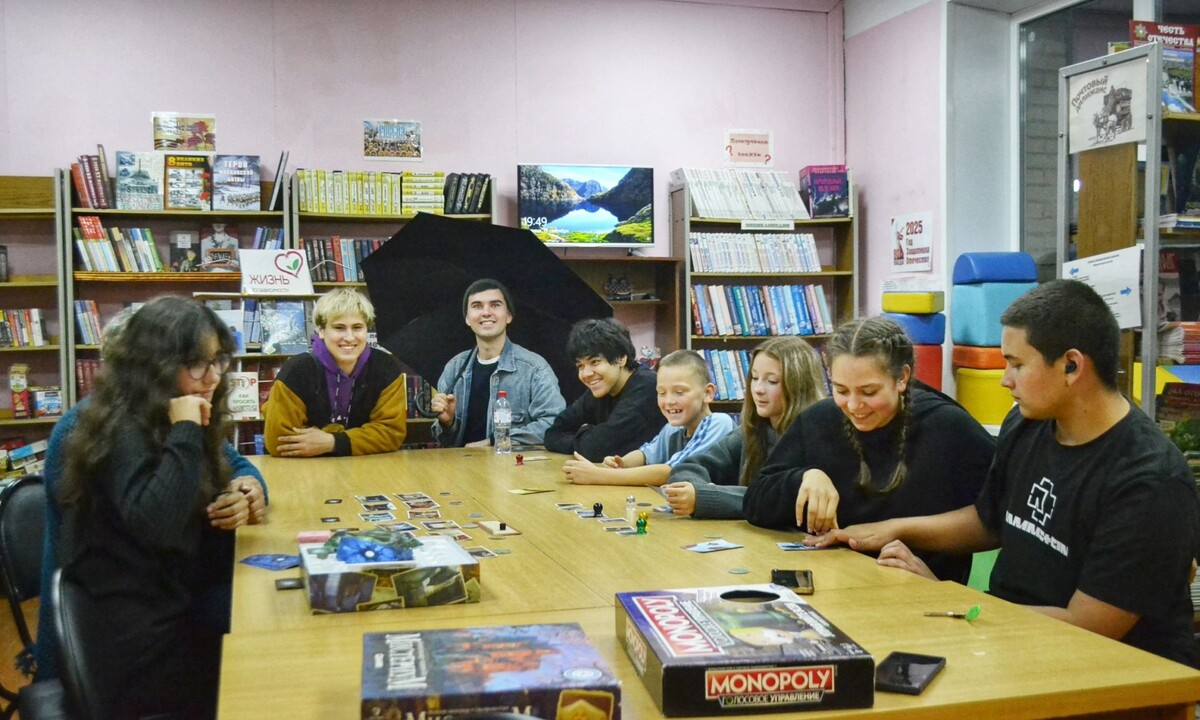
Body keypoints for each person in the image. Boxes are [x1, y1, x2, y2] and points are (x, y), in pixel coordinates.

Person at [813, 280, 1200, 666]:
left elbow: (1087, 626)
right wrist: (893, 529)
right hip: (1010, 639)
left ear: (1071, 366)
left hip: (1107, 670)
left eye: (1016, 364)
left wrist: (946, 598)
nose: (1005, 379)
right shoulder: (1027, 422)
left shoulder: (1149, 482)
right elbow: (992, 520)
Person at [33, 306, 268, 683]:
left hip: (170, 594)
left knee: (267, 601)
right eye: (195, 363)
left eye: (216, 361)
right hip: (124, 630)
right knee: (264, 627)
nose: (212, 377)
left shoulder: (166, 413)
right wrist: (187, 433)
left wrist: (247, 490)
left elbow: (234, 464)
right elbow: (155, 526)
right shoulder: (99, 426)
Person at [742, 316, 995, 583]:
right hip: (835, 582)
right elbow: (755, 502)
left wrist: (897, 531)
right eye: (841, 390)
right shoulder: (819, 419)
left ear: (902, 378)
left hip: (916, 588)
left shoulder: (948, 426)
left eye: (869, 392)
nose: (853, 405)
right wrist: (805, 477)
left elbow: (997, 521)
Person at [663, 337, 827, 519]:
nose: (758, 389)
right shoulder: (751, 431)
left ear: (799, 386)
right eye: (754, 378)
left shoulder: (817, 438)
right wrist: (693, 488)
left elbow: (779, 502)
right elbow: (690, 466)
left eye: (772, 381)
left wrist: (708, 497)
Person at [263, 288, 407, 456]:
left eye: (357, 327)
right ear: (321, 330)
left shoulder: (386, 367)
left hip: (366, 467)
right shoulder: (296, 371)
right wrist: (363, 439)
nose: (349, 337)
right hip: (304, 468)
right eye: (339, 328)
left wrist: (332, 442)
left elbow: (391, 433)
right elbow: (279, 441)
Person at [561, 350, 734, 486]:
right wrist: (621, 463)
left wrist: (599, 475)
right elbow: (645, 454)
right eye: (661, 393)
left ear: (708, 393)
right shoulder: (674, 428)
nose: (669, 401)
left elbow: (672, 472)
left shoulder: (718, 423)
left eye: (679, 392)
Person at [430, 279, 565, 448]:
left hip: (511, 463)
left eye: (495, 305)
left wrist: (495, 441)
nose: (486, 312)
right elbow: (443, 441)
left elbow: (553, 424)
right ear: (467, 318)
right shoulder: (454, 368)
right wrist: (448, 423)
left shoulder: (534, 368)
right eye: (477, 306)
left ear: (508, 316)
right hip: (461, 462)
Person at [543, 318, 665, 460]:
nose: (586, 374)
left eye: (595, 362)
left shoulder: (647, 388)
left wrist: (584, 434)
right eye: (580, 366)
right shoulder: (603, 388)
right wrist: (589, 437)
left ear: (621, 358)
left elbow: (597, 449)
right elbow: (552, 434)